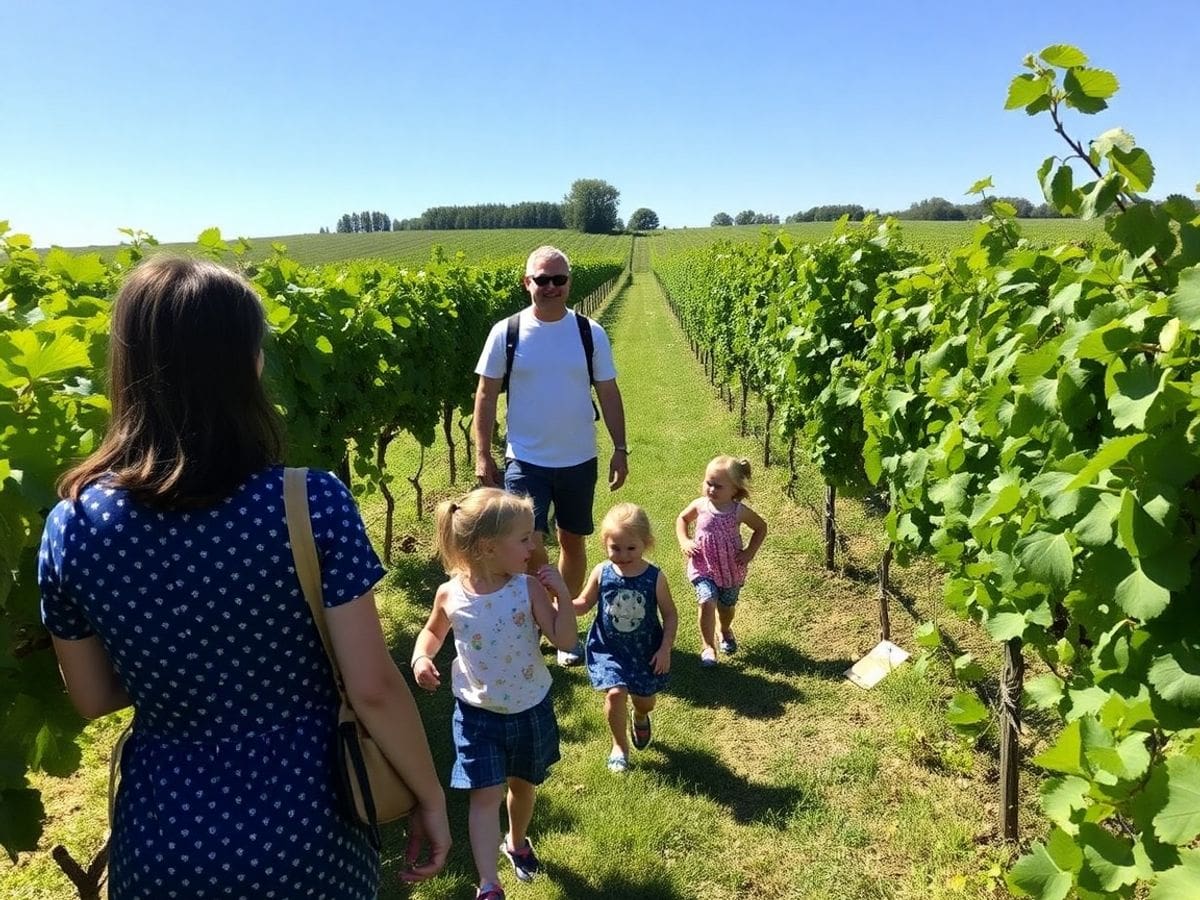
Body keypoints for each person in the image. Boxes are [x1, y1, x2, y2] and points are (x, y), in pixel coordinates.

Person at [37, 256, 450, 899]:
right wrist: (429, 796)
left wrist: (184, 679)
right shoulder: (309, 503)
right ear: (247, 366)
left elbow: (91, 697)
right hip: (308, 831)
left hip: (163, 836)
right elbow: (372, 687)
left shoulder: (73, 524)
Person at [411, 488, 578, 900]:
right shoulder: (450, 594)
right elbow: (433, 631)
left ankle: (516, 842)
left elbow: (564, 640)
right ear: (488, 547)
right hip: (476, 715)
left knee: (522, 786)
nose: (533, 546)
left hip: (529, 707)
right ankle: (489, 884)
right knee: (484, 797)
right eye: (523, 539)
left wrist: (563, 597)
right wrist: (421, 656)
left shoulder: (527, 589)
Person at [473, 245, 628, 665]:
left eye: (559, 279)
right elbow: (486, 394)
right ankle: (546, 618)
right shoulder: (506, 332)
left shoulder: (589, 333)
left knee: (572, 540)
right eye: (542, 279)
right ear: (527, 283)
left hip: (579, 457)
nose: (551, 287)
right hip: (525, 459)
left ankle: (563, 625)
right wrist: (483, 453)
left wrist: (620, 448)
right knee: (526, 544)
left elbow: (608, 391)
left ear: (569, 283)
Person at [573, 503, 677, 773]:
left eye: (631, 548)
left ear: (646, 543)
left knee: (645, 701)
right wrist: (560, 603)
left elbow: (670, 615)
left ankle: (640, 715)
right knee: (616, 693)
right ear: (605, 544)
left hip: (645, 651)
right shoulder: (602, 572)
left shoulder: (655, 577)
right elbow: (583, 604)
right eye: (615, 548)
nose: (623, 555)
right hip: (609, 649)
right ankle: (619, 747)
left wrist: (665, 648)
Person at [675, 456, 769, 666]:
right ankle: (708, 647)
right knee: (706, 601)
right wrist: (685, 540)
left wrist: (750, 552)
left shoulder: (738, 511)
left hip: (730, 569)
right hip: (704, 566)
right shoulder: (700, 505)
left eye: (718, 486)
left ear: (735, 489)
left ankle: (724, 629)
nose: (711, 489)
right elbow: (682, 519)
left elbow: (761, 527)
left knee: (726, 607)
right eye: (709, 483)